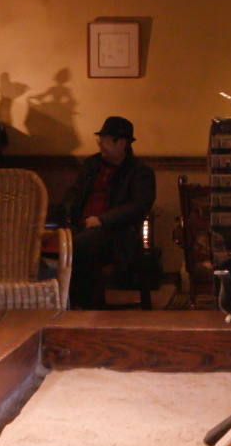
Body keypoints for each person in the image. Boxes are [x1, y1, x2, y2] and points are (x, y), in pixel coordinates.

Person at [55, 116, 156, 309]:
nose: (100, 144)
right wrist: (66, 215)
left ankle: (86, 306)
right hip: (81, 226)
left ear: (122, 143)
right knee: (57, 241)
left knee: (80, 244)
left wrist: (102, 220)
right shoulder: (92, 165)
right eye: (99, 139)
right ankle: (64, 302)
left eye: (105, 140)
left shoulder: (139, 172)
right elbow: (73, 193)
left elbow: (139, 206)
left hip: (118, 234)